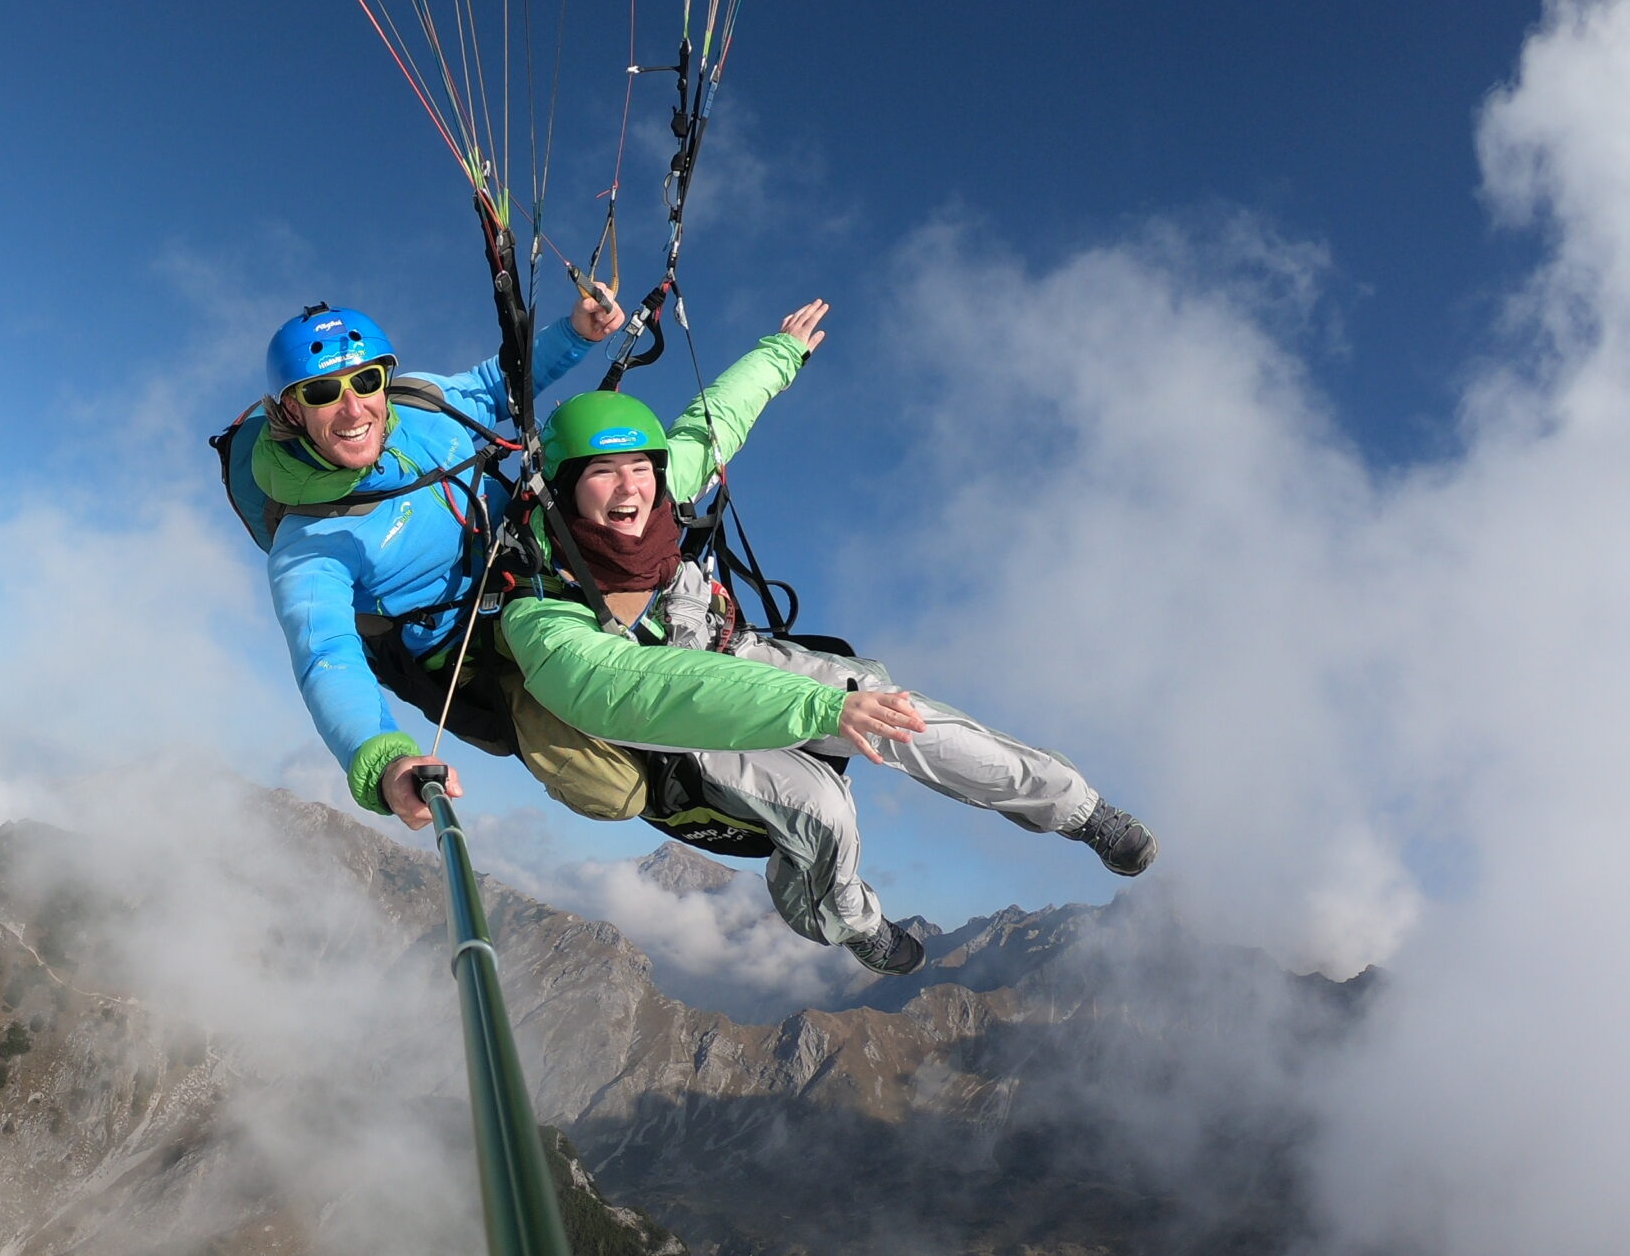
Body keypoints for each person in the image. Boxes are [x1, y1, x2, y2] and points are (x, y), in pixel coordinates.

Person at [393, 299, 1157, 976]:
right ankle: (850, 920)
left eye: (640, 467)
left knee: (905, 717)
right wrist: (820, 710)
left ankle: (1076, 808)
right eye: (603, 472)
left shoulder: (662, 490)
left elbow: (714, 419)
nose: (631, 488)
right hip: (680, 728)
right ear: (562, 486)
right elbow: (632, 689)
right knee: (823, 811)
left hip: (732, 651)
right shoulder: (539, 608)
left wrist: (780, 353)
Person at [258, 289, 624, 822]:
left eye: (366, 381)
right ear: (292, 408)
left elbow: (494, 385)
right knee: (612, 790)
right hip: (469, 656)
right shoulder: (309, 541)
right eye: (322, 392)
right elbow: (325, 652)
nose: (354, 408)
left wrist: (575, 334)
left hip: (534, 567)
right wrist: (384, 760)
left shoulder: (423, 406)